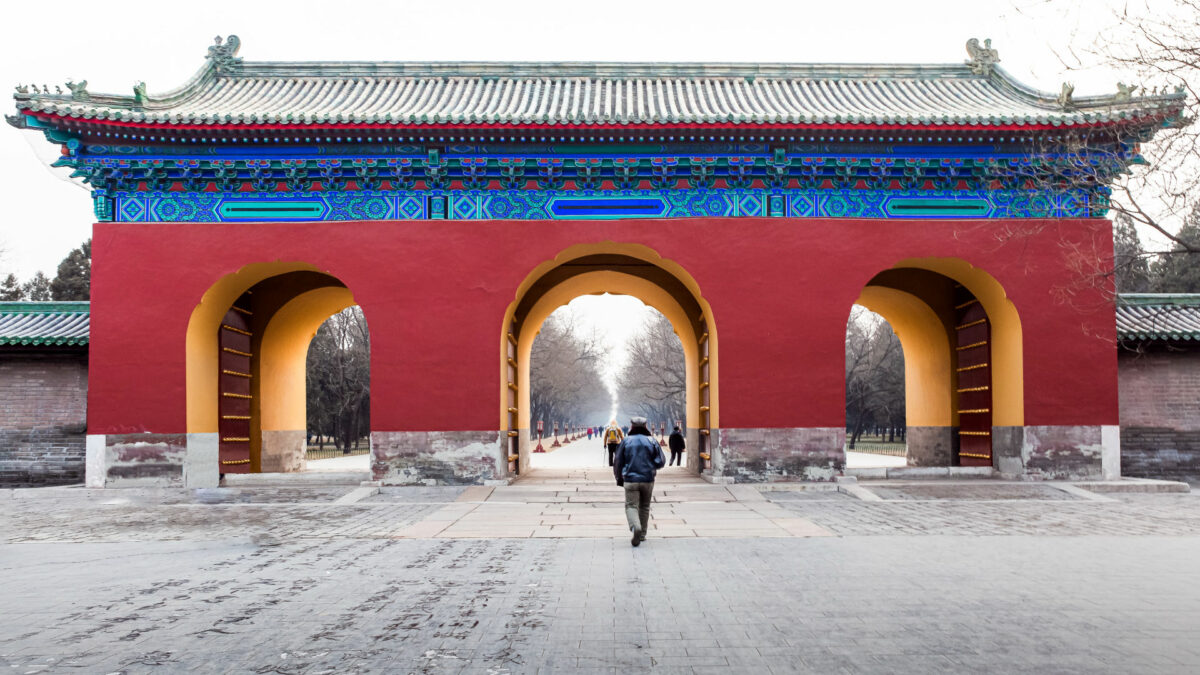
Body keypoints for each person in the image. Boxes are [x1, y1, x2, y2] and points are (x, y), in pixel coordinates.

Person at [613, 416, 666, 547]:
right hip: (647, 479)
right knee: (645, 506)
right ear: (645, 426)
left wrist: (619, 477)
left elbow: (618, 462)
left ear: (631, 426)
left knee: (631, 506)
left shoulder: (625, 441)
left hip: (630, 479)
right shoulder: (652, 441)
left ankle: (635, 527)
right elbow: (661, 461)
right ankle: (642, 534)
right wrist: (651, 466)